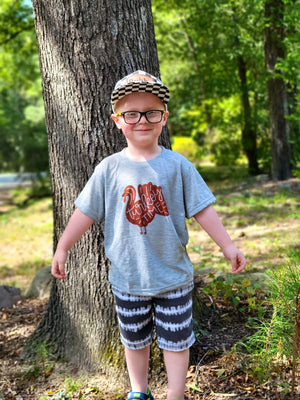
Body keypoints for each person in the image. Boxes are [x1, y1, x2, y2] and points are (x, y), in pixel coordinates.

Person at [51, 70, 246, 400]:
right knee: (134, 339)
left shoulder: (178, 165)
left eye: (151, 112)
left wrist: (227, 245)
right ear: (117, 120)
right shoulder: (109, 169)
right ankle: (139, 391)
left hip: (172, 277)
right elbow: (85, 211)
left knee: (176, 340)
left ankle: (176, 393)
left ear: (164, 118)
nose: (142, 120)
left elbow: (202, 208)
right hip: (128, 279)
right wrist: (63, 246)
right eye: (132, 113)